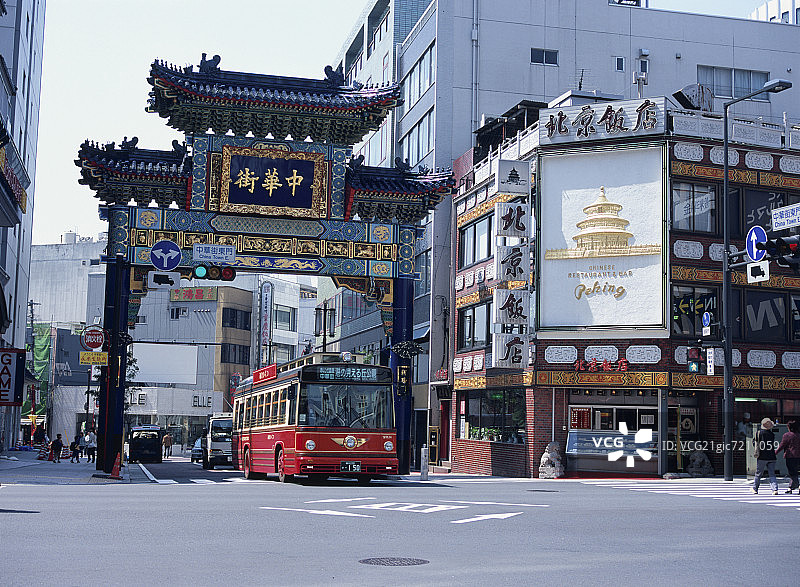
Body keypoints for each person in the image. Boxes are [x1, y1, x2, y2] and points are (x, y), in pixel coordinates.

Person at [752, 418, 779, 495]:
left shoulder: (759, 433)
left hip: (762, 456)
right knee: (772, 474)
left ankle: (755, 488)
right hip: (771, 456)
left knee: (758, 473)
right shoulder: (772, 434)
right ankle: (774, 489)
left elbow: (754, 443)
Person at [776, 420, 800, 494]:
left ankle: (795, 486)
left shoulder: (787, 435)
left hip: (790, 456)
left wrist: (775, 452)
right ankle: (791, 487)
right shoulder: (799, 435)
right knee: (796, 471)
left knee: (792, 472)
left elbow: (782, 446)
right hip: (799, 456)